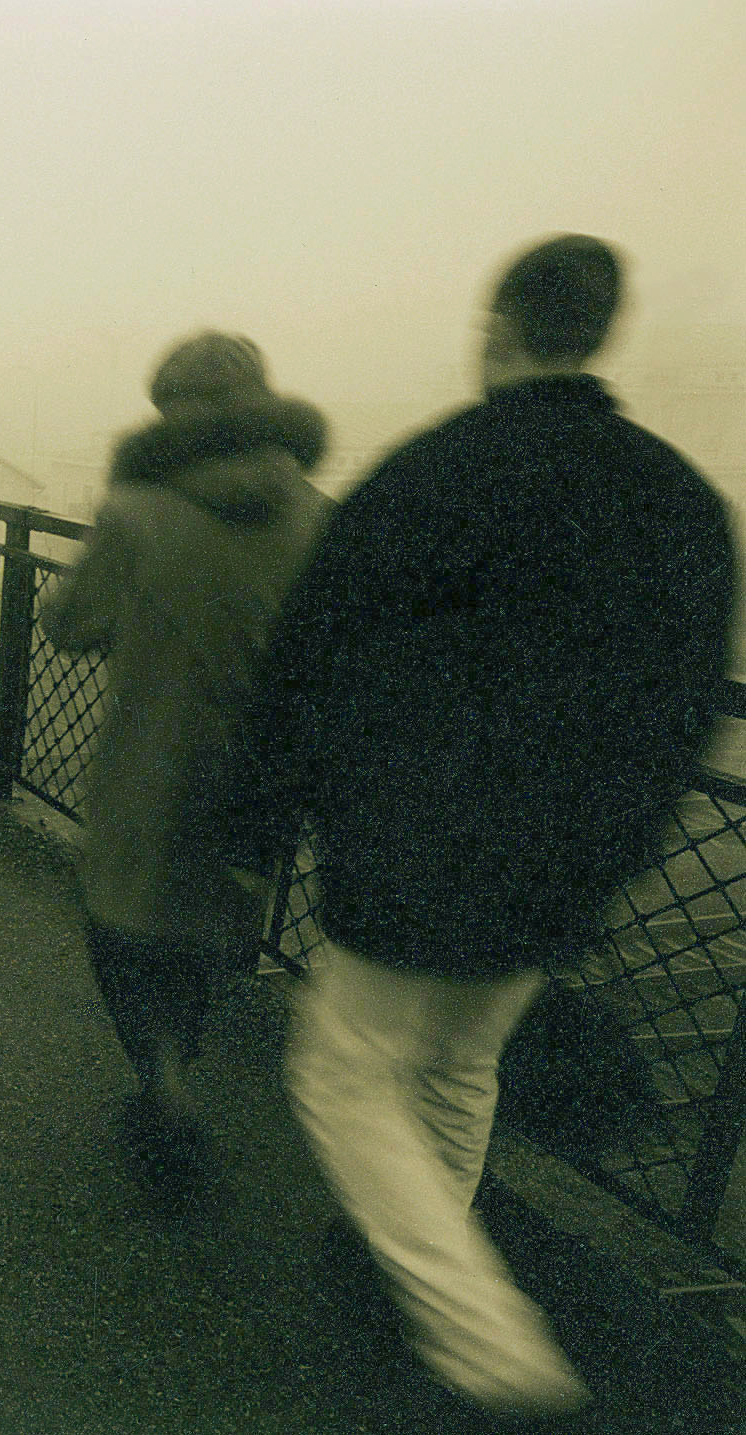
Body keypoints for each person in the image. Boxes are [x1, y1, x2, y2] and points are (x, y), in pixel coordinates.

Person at [221, 235, 737, 1420]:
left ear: (498, 325)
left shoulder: (432, 473)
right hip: (564, 866)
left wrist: (258, 829)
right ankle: (430, 1247)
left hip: (417, 853)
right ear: (600, 330)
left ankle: (483, 1339)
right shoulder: (677, 499)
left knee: (341, 1073)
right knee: (458, 1062)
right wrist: (616, 852)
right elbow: (683, 707)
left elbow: (309, 660)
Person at [41, 331, 333, 1182]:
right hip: (260, 785)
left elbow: (70, 623)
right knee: (210, 932)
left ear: (171, 413)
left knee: (123, 935)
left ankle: (164, 1085)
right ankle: (181, 1061)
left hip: (149, 773)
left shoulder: (136, 512)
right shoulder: (318, 516)